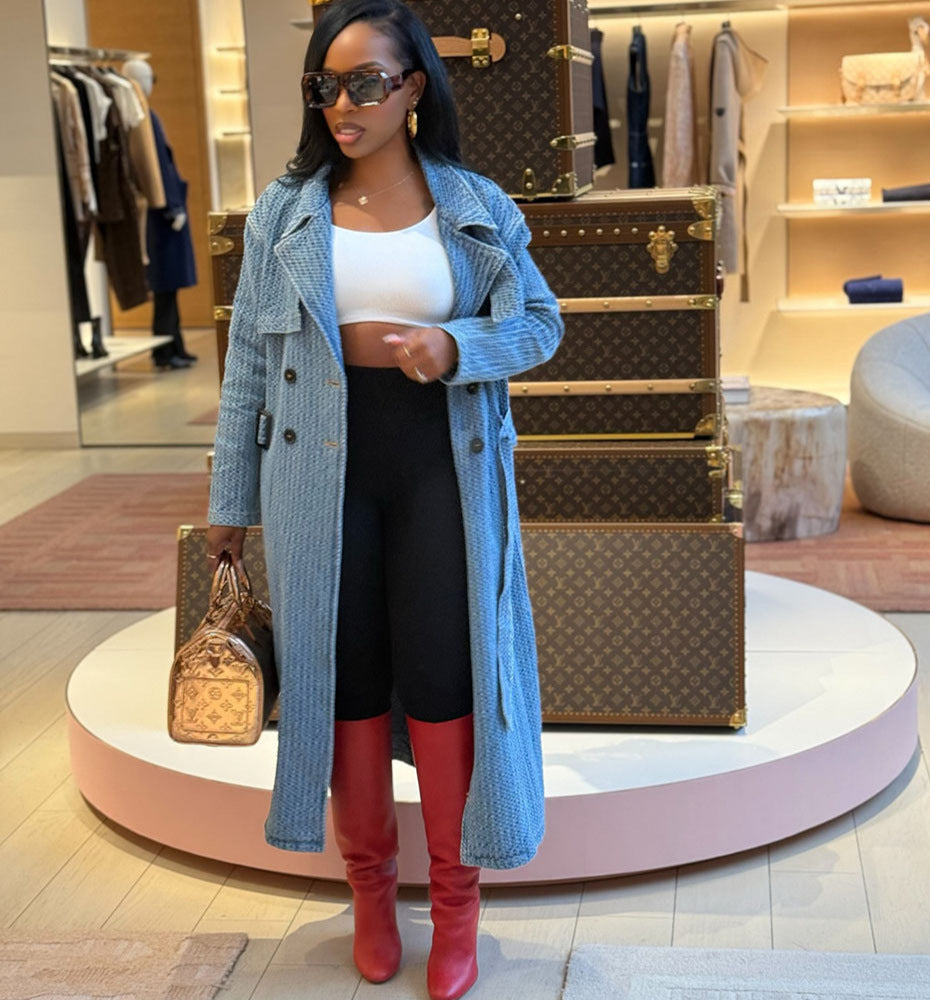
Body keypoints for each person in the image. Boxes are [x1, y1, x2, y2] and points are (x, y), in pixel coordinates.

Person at [205, 3, 563, 998]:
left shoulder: (474, 203)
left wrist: (458, 346)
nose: (343, 104)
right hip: (315, 472)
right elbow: (247, 367)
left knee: (446, 678)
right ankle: (371, 892)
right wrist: (229, 502)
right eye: (325, 85)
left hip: (439, 465)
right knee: (344, 678)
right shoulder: (285, 210)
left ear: (412, 89)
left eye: (366, 82)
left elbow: (539, 322)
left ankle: (455, 905)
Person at [121, 58, 199, 370]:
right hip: (160, 213)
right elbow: (156, 171)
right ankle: (166, 349)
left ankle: (174, 344)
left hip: (164, 210)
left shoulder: (144, 115)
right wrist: (171, 207)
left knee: (170, 286)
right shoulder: (141, 118)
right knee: (165, 284)